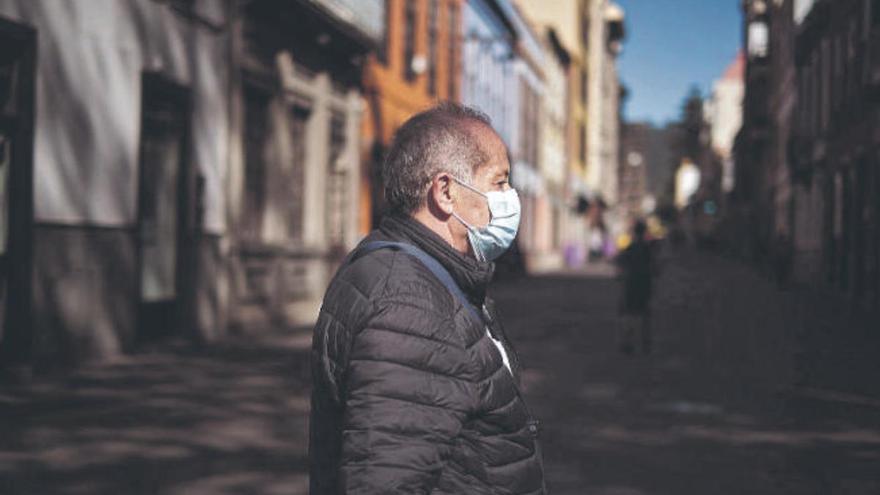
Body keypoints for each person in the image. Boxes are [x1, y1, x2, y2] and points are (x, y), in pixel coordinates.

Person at [309, 103, 546, 494]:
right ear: (446, 191)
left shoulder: (430, 277)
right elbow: (386, 480)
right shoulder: (407, 303)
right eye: (500, 182)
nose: (510, 197)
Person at [616, 219, 654, 354]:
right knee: (644, 314)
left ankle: (628, 342)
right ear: (644, 232)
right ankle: (645, 343)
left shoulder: (630, 248)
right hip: (644, 285)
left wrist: (621, 278)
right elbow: (655, 268)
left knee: (630, 314)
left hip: (631, 284)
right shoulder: (648, 248)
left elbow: (620, 264)